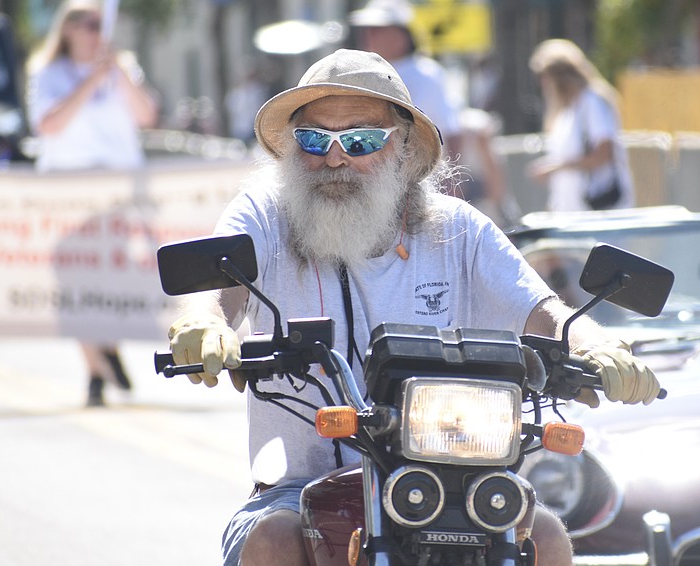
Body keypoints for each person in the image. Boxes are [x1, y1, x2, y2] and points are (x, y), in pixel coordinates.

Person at [166, 49, 661, 566]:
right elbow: (223, 276)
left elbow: (542, 309)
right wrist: (207, 320)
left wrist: (598, 344)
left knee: (547, 538)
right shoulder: (265, 213)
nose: (335, 158)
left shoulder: (460, 229)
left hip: (455, 481)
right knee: (273, 541)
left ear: (401, 146)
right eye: (314, 139)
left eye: (359, 140)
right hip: (298, 486)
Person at [26, 0, 159, 405]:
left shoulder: (120, 67)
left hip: (115, 196)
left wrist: (115, 71)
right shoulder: (48, 73)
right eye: (86, 23)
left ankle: (107, 350)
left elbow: (146, 115)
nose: (93, 30)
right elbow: (49, 124)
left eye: (99, 23)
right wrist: (88, 82)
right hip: (69, 195)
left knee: (110, 280)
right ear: (67, 29)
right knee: (74, 285)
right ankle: (95, 368)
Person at [348, 0, 463, 167]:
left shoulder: (427, 73)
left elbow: (451, 129)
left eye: (379, 29)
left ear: (402, 35)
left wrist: (452, 177)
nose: (369, 35)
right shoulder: (363, 72)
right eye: (368, 29)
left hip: (421, 171)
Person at [526, 38, 635, 212]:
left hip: (598, 211)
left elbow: (604, 153)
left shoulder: (592, 101)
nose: (543, 84)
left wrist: (557, 167)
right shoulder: (569, 110)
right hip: (572, 213)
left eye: (545, 77)